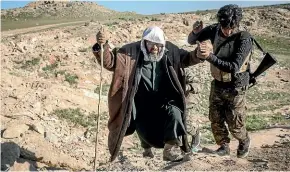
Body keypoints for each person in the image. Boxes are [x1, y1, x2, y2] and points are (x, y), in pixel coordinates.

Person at [92, 26, 205, 162]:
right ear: (144, 42)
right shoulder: (130, 51)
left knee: (175, 113)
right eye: (151, 44)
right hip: (139, 103)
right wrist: (102, 46)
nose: (155, 48)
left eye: (158, 45)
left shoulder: (171, 51)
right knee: (123, 121)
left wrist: (199, 53)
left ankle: (169, 151)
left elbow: (188, 58)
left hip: (164, 101)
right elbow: (109, 63)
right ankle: (116, 155)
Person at [188, 4, 252, 158]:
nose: (227, 31)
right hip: (218, 82)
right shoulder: (215, 29)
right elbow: (192, 41)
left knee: (235, 123)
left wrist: (209, 56)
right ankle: (224, 146)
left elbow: (234, 66)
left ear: (237, 24)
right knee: (215, 118)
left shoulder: (244, 38)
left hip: (236, 85)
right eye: (224, 27)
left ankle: (244, 140)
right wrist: (195, 32)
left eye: (231, 28)